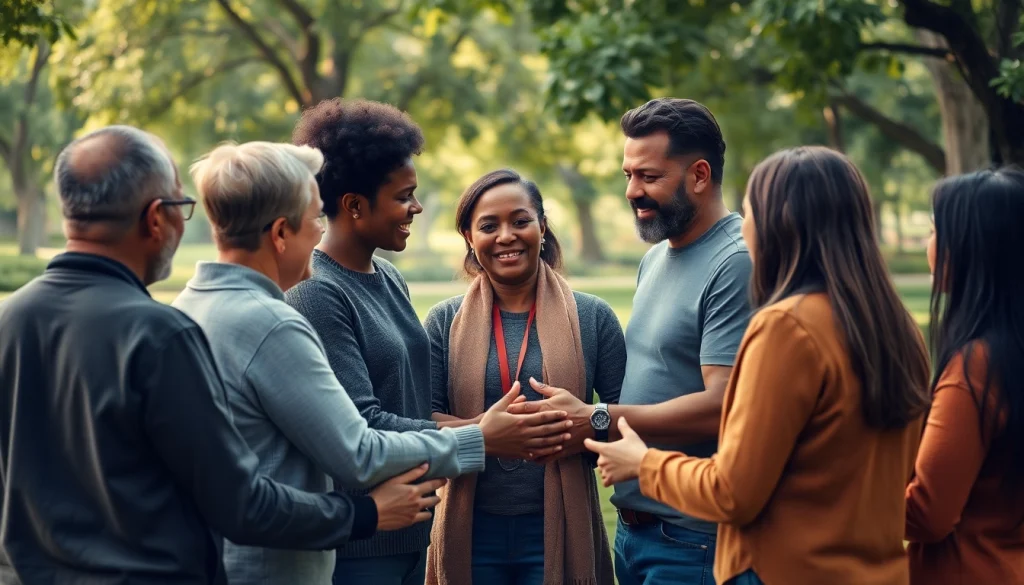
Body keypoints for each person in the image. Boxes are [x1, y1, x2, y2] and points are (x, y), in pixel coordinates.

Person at [0, 126, 443, 585]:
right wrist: (363, 513)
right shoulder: (158, 334)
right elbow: (240, 502)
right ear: (156, 218)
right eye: (181, 206)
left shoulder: (10, 319)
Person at [172, 142, 549, 585]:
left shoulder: (186, 308)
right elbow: (357, 450)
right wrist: (477, 440)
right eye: (314, 218)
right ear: (279, 234)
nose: (319, 233)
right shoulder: (273, 321)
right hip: (281, 563)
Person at [585, 146, 932, 585]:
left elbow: (733, 493)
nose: (743, 227)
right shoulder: (897, 327)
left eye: (750, 213)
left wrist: (642, 462)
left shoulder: (786, 328)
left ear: (779, 225)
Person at [287, 99, 571, 585]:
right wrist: (482, 435)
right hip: (361, 544)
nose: (416, 207)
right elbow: (363, 422)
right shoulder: (317, 292)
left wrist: (488, 427)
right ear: (355, 206)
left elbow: (411, 401)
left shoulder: (388, 277)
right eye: (404, 196)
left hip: (413, 529)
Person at [507, 98, 752, 585]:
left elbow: (724, 404)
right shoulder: (657, 257)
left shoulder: (736, 260)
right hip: (638, 532)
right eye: (627, 175)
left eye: (648, 177)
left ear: (699, 175)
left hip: (694, 537)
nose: (631, 191)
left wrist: (596, 418)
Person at [423, 169, 625, 585]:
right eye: (488, 226)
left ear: (543, 228)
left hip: (559, 527)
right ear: (468, 238)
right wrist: (486, 432)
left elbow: (624, 423)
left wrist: (585, 423)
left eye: (520, 220)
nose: (506, 236)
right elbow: (421, 421)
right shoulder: (443, 321)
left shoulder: (593, 316)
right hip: (472, 528)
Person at [905, 167, 1024, 584]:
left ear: (970, 247)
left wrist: (849, 494)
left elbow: (929, 513)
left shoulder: (976, 368)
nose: (929, 245)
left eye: (937, 231)